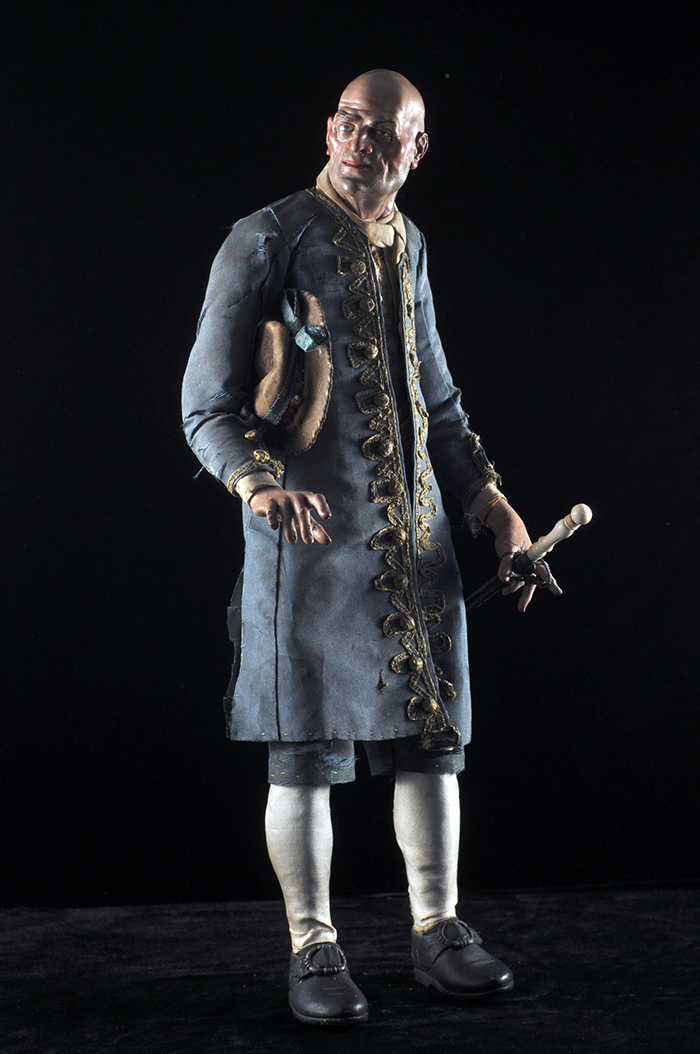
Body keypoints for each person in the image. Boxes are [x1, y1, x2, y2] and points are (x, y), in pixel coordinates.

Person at [182, 69, 561, 1026]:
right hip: (303, 551)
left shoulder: (410, 244)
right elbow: (205, 407)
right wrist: (259, 486)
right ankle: (313, 945)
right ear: (329, 129)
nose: (363, 141)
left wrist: (495, 510)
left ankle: (439, 930)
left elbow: (439, 402)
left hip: (416, 550)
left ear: (415, 149)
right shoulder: (266, 237)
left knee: (433, 745)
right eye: (351, 123)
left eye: (385, 131)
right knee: (304, 755)